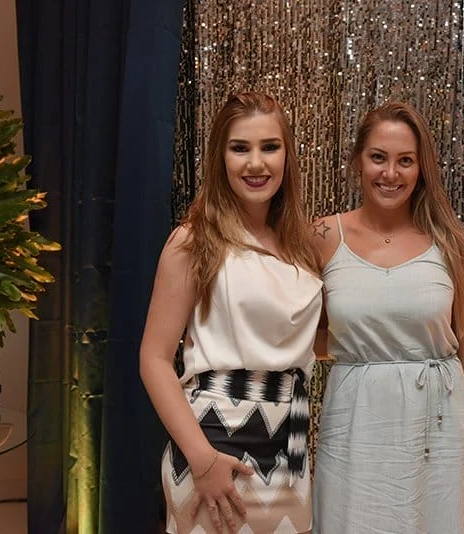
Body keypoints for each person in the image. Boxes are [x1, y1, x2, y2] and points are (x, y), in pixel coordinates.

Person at [311, 101, 464, 533]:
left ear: (421, 168)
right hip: (354, 425)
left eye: (405, 161)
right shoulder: (321, 236)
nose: (390, 173)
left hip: (440, 432)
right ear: (358, 161)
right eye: (378, 157)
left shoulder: (450, 242)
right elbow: (301, 331)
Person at [140, 92, 322, 534]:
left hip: (290, 456)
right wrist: (202, 461)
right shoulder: (193, 240)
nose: (256, 163)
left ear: (287, 155)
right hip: (214, 449)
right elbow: (154, 359)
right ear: (220, 157)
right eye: (240, 148)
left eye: (269, 147)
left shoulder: (300, 245)